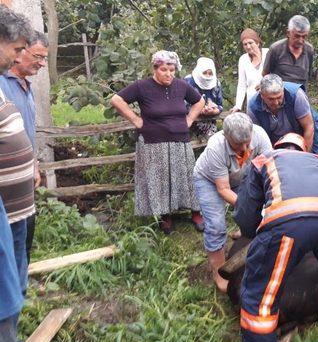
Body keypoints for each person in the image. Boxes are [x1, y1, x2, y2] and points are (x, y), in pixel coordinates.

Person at [234, 132, 318, 342]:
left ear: (278, 146)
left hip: (287, 222)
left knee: (262, 296)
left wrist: (253, 236)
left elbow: (246, 211)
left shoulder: (264, 159)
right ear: (303, 150)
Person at [110, 50, 205, 234]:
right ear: (155, 69)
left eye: (172, 70)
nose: (169, 74)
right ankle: (165, 216)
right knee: (160, 180)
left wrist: (190, 119)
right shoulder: (142, 86)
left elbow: (199, 102)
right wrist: (136, 120)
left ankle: (195, 213)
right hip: (154, 143)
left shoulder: (181, 86)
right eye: (164, 70)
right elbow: (116, 99)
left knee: (186, 177)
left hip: (180, 141)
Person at [192, 113, 272, 292]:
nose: (244, 148)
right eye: (237, 144)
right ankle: (219, 272)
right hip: (210, 181)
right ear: (226, 136)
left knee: (260, 210)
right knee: (216, 225)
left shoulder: (260, 135)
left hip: (242, 177)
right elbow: (223, 189)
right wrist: (250, 208)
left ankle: (243, 232)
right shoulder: (216, 147)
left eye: (247, 142)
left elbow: (269, 170)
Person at [0, 6, 34, 342]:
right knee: (4, 292)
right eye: (17, 48)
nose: (18, 55)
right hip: (4, 216)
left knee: (13, 284)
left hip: (14, 210)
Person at [0, 30, 48, 264]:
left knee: (25, 233)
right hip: (5, 180)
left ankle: (20, 288)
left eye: (44, 58)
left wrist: (34, 164)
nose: (42, 63)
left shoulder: (26, 87)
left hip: (25, 176)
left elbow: (27, 132)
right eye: (38, 56)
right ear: (19, 52)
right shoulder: (1, 84)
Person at [262, 15, 318, 154]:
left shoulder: (309, 50)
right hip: (279, 96)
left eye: (304, 36)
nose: (301, 40)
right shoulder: (276, 49)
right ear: (288, 33)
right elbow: (265, 75)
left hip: (300, 96)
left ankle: (316, 159)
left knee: (313, 121)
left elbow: (306, 77)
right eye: (297, 36)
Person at [247, 74, 317, 153]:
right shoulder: (253, 107)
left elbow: (308, 126)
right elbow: (256, 137)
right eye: (271, 99)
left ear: (283, 91)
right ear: (262, 95)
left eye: (279, 97)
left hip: (302, 132)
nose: (276, 102)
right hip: (273, 139)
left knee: (312, 159)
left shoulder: (297, 96)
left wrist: (304, 156)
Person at [231, 29, 268, 113]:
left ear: (257, 43)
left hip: (270, 100)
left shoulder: (268, 53)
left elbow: (276, 75)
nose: (248, 46)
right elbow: (242, 85)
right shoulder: (243, 59)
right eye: (245, 44)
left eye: (250, 43)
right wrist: (238, 105)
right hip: (252, 102)